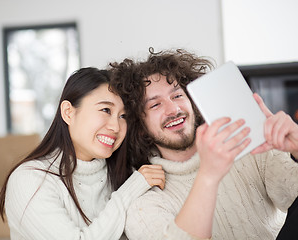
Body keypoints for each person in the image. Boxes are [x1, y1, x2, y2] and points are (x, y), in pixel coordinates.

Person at [108, 48, 298, 240]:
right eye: (155, 105)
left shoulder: (249, 147)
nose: (174, 109)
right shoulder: (144, 201)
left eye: (177, 96)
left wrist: (296, 145)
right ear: (140, 126)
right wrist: (208, 175)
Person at [0, 67, 165, 240]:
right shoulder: (31, 179)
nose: (116, 127)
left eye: (123, 116)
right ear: (68, 112)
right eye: (106, 110)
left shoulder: (124, 173)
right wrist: (130, 190)